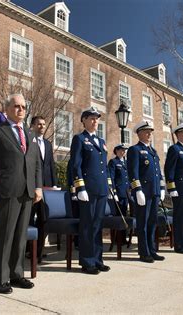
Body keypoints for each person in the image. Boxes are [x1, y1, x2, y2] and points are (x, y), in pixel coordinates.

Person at [0, 94, 42, 294]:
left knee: (20, 236)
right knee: (5, 235)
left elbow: (36, 165)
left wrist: (38, 187)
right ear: (6, 108)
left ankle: (17, 274)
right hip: (6, 191)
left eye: (24, 106)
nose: (21, 110)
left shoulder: (30, 134)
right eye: (16, 106)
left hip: (27, 192)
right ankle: (2, 278)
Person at [70, 107, 113, 275]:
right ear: (84, 120)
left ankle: (97, 259)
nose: (95, 121)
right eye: (92, 118)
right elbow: (76, 165)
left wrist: (109, 186)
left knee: (98, 225)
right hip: (87, 189)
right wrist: (80, 187)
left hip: (101, 189)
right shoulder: (79, 139)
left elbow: (105, 167)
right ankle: (87, 261)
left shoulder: (101, 141)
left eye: (97, 119)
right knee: (87, 226)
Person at [127, 120, 166, 263]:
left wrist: (161, 188)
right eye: (146, 131)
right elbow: (133, 172)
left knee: (152, 222)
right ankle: (144, 252)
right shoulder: (134, 150)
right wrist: (137, 190)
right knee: (142, 224)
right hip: (143, 193)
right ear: (139, 133)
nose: (149, 134)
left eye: (150, 131)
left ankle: (152, 250)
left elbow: (158, 173)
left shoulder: (153, 152)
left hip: (154, 192)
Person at [28, 115, 58, 261]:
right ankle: (27, 250)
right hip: (30, 188)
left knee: (43, 220)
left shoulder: (47, 143)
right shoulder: (27, 141)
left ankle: (37, 252)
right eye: (38, 124)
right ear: (32, 126)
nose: (42, 127)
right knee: (28, 219)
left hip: (45, 189)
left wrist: (54, 184)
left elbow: (51, 164)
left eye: (43, 124)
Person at [164, 122, 183, 254]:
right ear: (178, 134)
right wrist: (172, 188)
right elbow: (169, 170)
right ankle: (179, 245)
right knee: (179, 218)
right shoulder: (174, 149)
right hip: (179, 189)